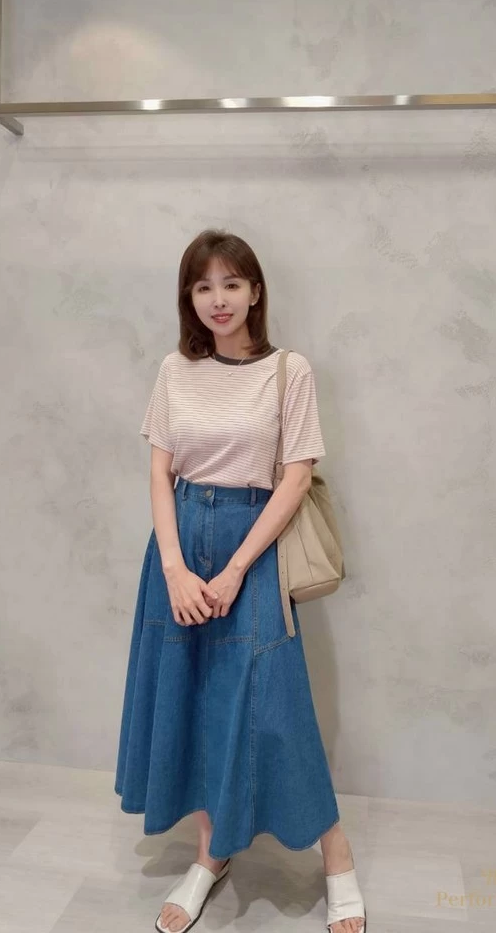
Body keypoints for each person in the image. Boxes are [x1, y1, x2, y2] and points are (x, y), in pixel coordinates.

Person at [114, 229, 366, 933]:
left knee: (272, 704)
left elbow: (296, 479)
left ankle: (336, 854)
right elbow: (160, 473)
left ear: (256, 291)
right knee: (192, 697)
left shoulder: (289, 370)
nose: (217, 299)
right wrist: (174, 568)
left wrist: (231, 572)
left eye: (231, 283)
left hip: (254, 545)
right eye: (203, 286)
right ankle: (210, 853)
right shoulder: (174, 371)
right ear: (188, 298)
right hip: (177, 545)